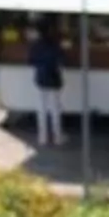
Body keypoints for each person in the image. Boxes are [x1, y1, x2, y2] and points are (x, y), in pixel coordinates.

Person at [30, 20, 67, 148]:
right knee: (55, 109)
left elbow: (31, 61)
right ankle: (57, 137)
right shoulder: (55, 44)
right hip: (54, 79)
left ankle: (42, 138)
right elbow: (62, 59)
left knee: (41, 109)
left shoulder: (35, 45)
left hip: (40, 79)